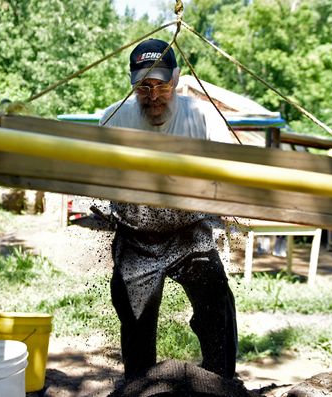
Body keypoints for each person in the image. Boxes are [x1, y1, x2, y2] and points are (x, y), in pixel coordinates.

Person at [98, 38, 238, 381]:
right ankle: (140, 387)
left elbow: (233, 169)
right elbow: (96, 176)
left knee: (216, 308)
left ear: (176, 78)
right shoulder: (113, 118)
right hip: (137, 236)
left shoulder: (202, 116)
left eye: (162, 84)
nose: (154, 94)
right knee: (135, 322)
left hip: (190, 233)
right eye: (144, 87)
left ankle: (222, 383)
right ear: (132, 84)